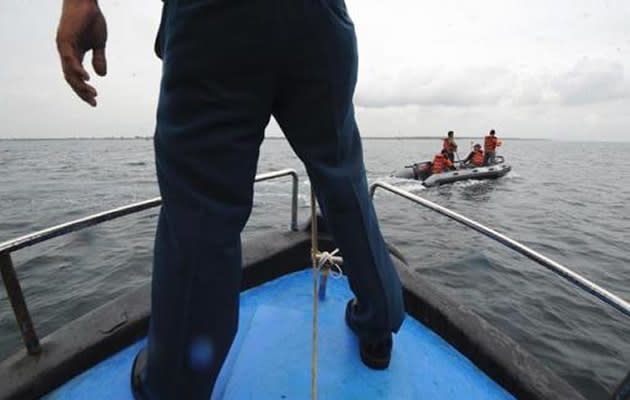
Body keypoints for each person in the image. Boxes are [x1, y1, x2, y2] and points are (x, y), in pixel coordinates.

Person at [56, 1, 405, 399]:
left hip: (214, 20)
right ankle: (379, 324)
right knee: (344, 180)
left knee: (201, 204)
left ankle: (177, 385)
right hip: (320, 19)